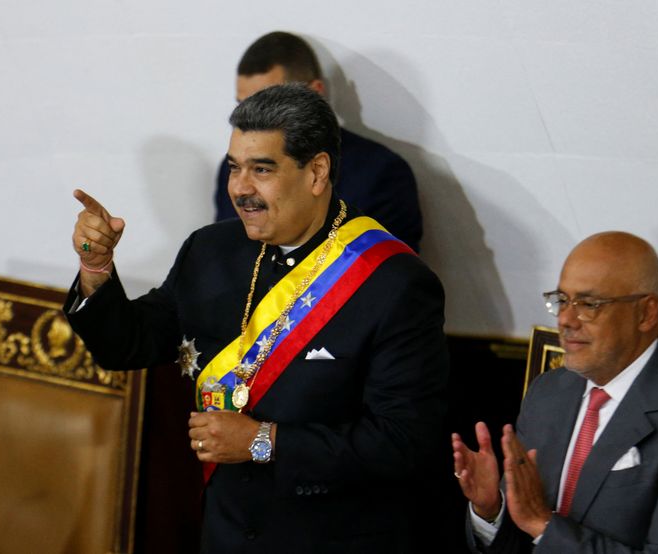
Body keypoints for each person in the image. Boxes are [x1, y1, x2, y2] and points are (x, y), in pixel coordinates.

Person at [65, 84, 449, 553]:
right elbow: (127, 344)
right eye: (234, 168)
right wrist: (96, 268)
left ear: (317, 172)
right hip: (225, 535)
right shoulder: (209, 250)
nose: (240, 189)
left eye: (262, 170)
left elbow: (403, 443)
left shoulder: (393, 283)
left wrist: (264, 443)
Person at [452, 231, 658, 553]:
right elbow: (524, 536)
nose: (566, 320)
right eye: (562, 300)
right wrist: (492, 511)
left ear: (646, 313)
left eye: (589, 304)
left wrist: (543, 524)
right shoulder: (548, 392)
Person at [213, 31, 424, 252]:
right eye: (243, 105)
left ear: (315, 92)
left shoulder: (381, 174)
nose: (252, 117)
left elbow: (389, 274)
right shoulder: (232, 172)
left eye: (271, 102)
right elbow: (223, 259)